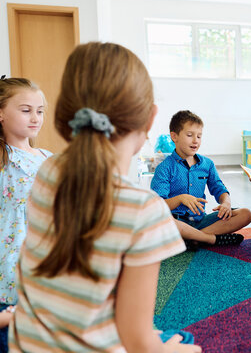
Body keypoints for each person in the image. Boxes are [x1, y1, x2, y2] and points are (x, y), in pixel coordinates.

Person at [8, 42, 201, 353]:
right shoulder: (142, 208)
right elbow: (139, 342)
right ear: (150, 119)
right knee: (186, 342)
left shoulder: (47, 171)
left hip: (26, 343)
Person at [0, 76, 51, 351]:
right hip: (10, 270)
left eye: (40, 110)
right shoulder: (2, 159)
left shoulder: (48, 157)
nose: (35, 118)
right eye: (25, 110)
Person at [151, 110, 251, 248]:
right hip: (175, 222)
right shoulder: (164, 168)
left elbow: (219, 188)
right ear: (174, 136)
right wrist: (180, 198)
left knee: (245, 214)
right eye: (189, 135)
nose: (195, 141)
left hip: (200, 220)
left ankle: (192, 239)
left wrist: (226, 203)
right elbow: (157, 207)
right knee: (159, 221)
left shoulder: (207, 164)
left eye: (199, 136)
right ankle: (209, 239)